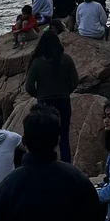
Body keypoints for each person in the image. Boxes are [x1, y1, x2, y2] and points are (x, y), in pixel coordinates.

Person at [24, 29, 79, 161]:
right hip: (63, 101)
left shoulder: (37, 62)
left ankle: (45, 164)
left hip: (44, 104)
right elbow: (75, 81)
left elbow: (29, 86)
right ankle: (66, 165)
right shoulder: (66, 59)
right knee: (64, 137)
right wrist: (66, 92)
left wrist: (39, 95)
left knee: (44, 138)